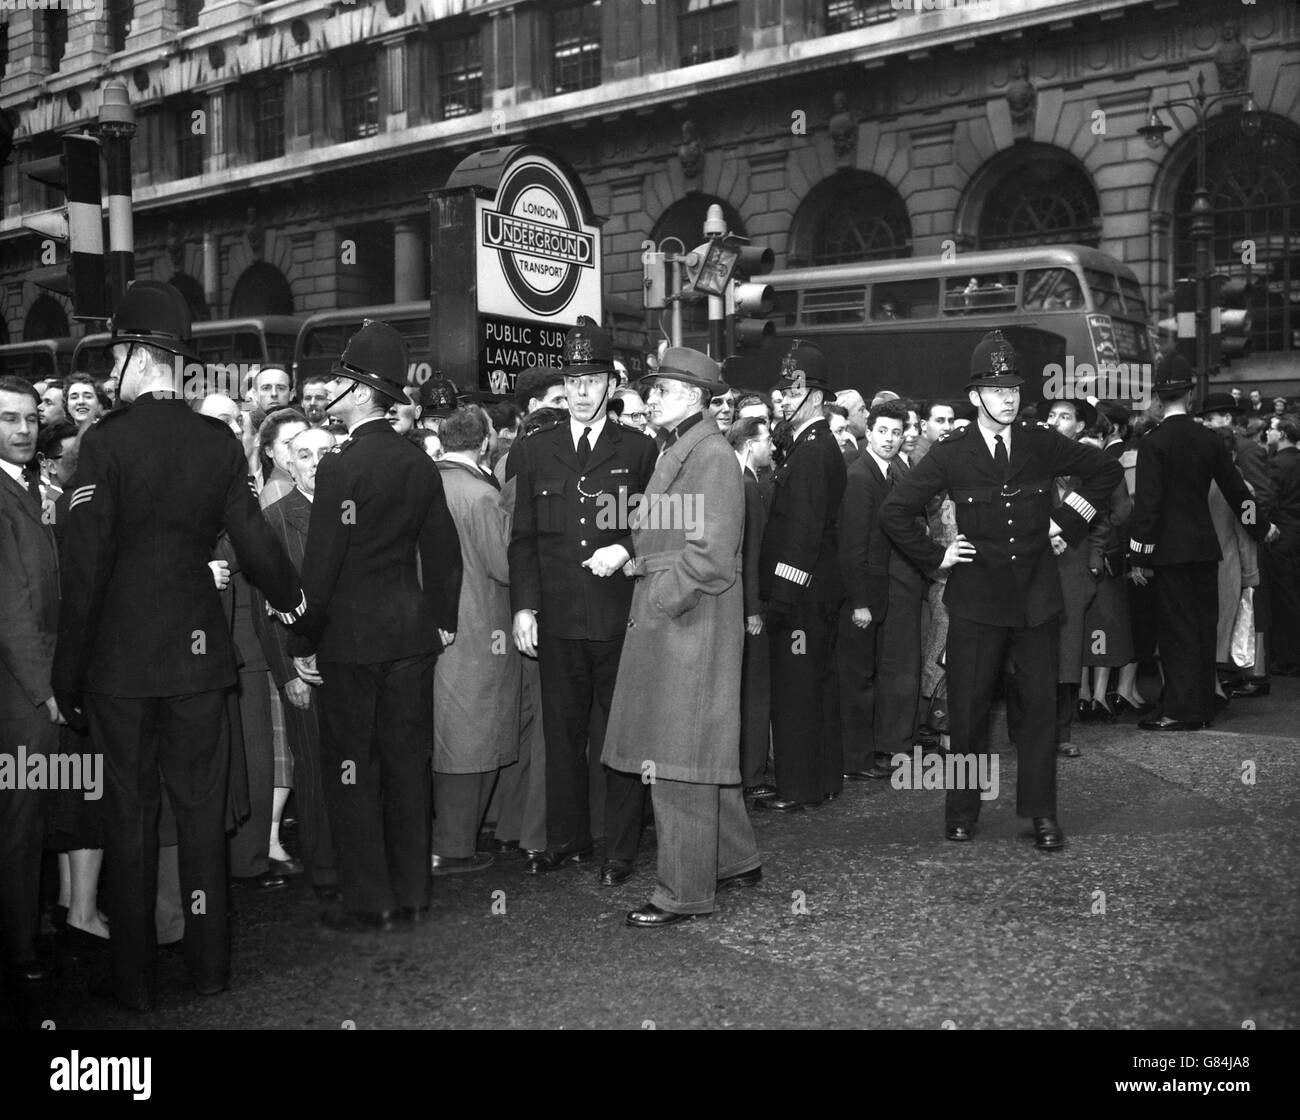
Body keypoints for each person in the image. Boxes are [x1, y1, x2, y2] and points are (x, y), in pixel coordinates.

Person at [51, 281, 306, 1011]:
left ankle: (134, 980)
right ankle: (210, 966)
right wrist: (294, 603)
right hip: (199, 663)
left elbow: (84, 569)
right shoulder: (217, 441)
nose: (111, 372)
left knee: (129, 819)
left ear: (136, 354)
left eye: (116, 356)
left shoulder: (104, 443)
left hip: (121, 671)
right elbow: (254, 541)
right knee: (199, 818)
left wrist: (69, 679)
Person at [880, 330, 1123, 851]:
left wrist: (1066, 520)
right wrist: (936, 555)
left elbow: (1104, 470)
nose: (1008, 397)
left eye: (1014, 387)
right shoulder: (952, 452)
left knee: (1037, 714)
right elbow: (895, 510)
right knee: (967, 713)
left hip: (1036, 601)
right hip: (975, 603)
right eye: (996, 389)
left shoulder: (1040, 441)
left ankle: (1041, 815)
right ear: (975, 397)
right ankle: (962, 812)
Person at [288, 319, 462, 932]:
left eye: (341, 380)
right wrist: (442, 617)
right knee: (408, 766)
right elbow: (444, 549)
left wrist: (301, 636)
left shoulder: (341, 465)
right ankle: (414, 891)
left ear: (363, 392)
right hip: (410, 636)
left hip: (352, 642)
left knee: (353, 769)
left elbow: (323, 564)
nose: (332, 389)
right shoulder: (418, 462)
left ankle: (371, 899)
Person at [602, 349, 759, 927]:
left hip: (690, 620)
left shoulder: (708, 455)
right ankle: (737, 858)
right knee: (695, 744)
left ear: (693, 397)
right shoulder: (683, 446)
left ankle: (685, 892)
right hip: (686, 618)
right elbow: (669, 532)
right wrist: (632, 555)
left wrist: (662, 596)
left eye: (660, 391)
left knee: (677, 758)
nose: (649, 401)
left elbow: (713, 557)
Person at [508, 322, 657, 883]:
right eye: (573, 380)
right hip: (560, 618)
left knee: (620, 735)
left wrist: (624, 546)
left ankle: (620, 848)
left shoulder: (640, 449)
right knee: (562, 735)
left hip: (621, 618)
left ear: (609, 384)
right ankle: (567, 839)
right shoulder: (534, 449)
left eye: (592, 380)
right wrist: (524, 608)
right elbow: (522, 538)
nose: (581, 391)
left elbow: (665, 525)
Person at [1127, 354, 1274, 730]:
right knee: (1202, 629)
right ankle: (1203, 706)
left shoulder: (1153, 443)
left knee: (1174, 632)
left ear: (1159, 398)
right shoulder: (1210, 440)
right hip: (1205, 550)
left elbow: (1148, 508)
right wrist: (1262, 528)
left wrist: (1138, 555)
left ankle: (1178, 710)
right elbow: (1238, 494)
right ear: (1191, 396)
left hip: (1168, 553)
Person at [758, 341, 846, 812]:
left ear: (815, 397)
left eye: (791, 392)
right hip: (818, 589)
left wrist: (782, 598)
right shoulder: (811, 444)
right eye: (780, 392)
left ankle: (797, 786)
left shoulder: (812, 451)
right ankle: (824, 778)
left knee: (797, 689)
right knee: (819, 684)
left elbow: (804, 534)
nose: (782, 399)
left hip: (803, 595)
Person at [431, 407, 521, 873]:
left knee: (449, 731)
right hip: (480, 625)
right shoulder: (481, 495)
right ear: (484, 442)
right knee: (472, 733)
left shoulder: (427, 482)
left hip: (439, 626)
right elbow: (502, 566)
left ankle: (450, 837)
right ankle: (454, 845)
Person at [258, 426, 339, 902]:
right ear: (289, 464)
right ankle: (325, 867)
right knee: (313, 768)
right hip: (303, 667)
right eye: (304, 455)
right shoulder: (272, 520)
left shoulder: (354, 514)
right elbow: (265, 609)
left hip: (355, 662)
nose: (314, 462)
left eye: (324, 453)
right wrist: (288, 674)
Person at [0, 376, 63, 988]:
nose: (22, 430)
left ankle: (31, 927)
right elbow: (10, 608)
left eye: (29, 419)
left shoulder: (31, 486)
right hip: (21, 693)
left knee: (35, 817)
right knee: (20, 821)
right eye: (8, 419)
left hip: (35, 683)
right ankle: (19, 951)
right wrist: (45, 689)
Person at [838, 400, 909, 781]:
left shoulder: (888, 472)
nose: (889, 439)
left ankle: (864, 754)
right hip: (861, 597)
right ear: (868, 429)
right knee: (857, 679)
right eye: (882, 431)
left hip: (876, 593)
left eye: (896, 433)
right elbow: (852, 546)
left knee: (868, 675)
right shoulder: (860, 476)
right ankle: (856, 760)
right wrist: (860, 602)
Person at [728, 415, 775, 799]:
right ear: (749, 443)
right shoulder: (746, 485)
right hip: (749, 605)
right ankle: (752, 775)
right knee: (755, 692)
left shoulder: (736, 480)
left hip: (737, 601)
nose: (772, 447)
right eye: (767, 440)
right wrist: (754, 608)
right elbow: (752, 553)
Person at [1262, 413, 1300, 675]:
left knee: (1285, 596)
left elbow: (1268, 500)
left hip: (1282, 535)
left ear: (1283, 434)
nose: (1267, 434)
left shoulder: (1276, 464)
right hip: (1297, 531)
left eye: (1272, 430)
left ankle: (1289, 656)